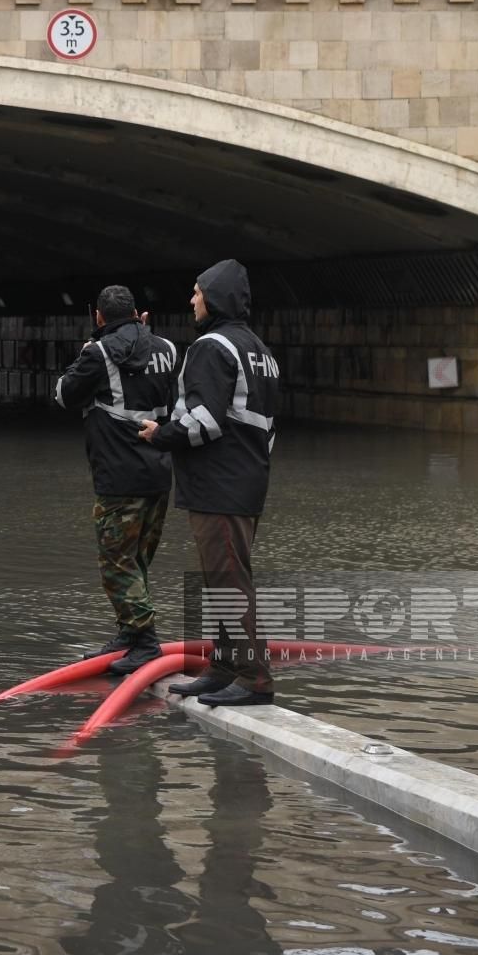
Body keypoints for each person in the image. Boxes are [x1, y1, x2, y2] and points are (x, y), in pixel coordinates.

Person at [138, 259, 282, 708]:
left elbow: (203, 421)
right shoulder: (259, 350)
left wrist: (160, 434)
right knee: (221, 577)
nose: (192, 299)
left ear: (215, 297)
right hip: (245, 480)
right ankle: (223, 668)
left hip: (219, 484)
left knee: (227, 580)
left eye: (198, 291)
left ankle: (254, 678)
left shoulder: (211, 347)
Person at [53, 285, 178, 676]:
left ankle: (145, 641)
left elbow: (62, 394)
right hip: (159, 472)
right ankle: (129, 633)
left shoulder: (99, 352)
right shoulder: (168, 349)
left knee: (117, 563)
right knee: (138, 560)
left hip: (119, 476)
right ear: (137, 312)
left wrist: (92, 345)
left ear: (99, 317)